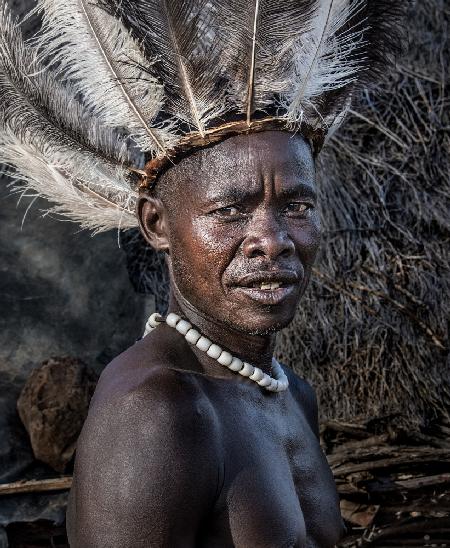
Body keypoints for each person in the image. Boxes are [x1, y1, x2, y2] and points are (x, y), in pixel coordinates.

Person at [0, 0, 404, 545]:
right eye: (230, 209)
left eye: (297, 206)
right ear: (157, 224)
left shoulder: (291, 394)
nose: (273, 240)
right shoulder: (156, 411)